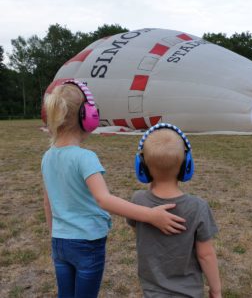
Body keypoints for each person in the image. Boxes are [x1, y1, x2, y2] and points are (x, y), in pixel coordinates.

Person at [41, 80, 186, 298]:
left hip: (60, 243)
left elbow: (47, 200)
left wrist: (55, 235)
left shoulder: (47, 156)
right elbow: (104, 200)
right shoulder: (85, 158)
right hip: (87, 243)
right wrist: (150, 215)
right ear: (87, 116)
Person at [127, 123, 222, 298]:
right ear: (187, 165)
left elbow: (138, 233)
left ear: (142, 166)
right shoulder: (198, 207)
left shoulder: (137, 201)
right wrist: (216, 291)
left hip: (152, 292)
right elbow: (206, 255)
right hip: (190, 293)